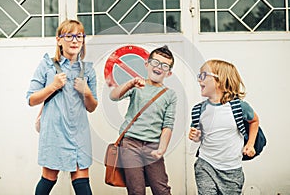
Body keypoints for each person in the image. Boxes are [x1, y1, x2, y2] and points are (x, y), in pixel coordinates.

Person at [26, 19, 98, 195]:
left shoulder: (88, 70)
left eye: (79, 36)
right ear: (59, 40)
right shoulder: (47, 65)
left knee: (82, 184)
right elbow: (31, 99)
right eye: (69, 36)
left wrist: (87, 92)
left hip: (79, 134)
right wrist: (53, 86)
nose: (75, 40)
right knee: (48, 180)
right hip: (54, 133)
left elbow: (92, 107)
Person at [109, 45, 177, 195]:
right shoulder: (137, 85)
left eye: (164, 65)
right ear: (147, 64)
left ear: (169, 72)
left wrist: (162, 149)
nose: (159, 67)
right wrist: (130, 83)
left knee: (161, 189)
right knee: (136, 190)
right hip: (130, 144)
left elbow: (168, 125)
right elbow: (113, 96)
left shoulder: (170, 95)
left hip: (153, 146)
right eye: (155, 62)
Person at [188, 59, 260, 194]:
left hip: (232, 170)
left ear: (220, 80)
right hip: (205, 165)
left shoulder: (239, 107)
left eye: (203, 76)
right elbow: (198, 135)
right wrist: (196, 136)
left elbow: (254, 121)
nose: (199, 80)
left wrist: (250, 144)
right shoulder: (199, 110)